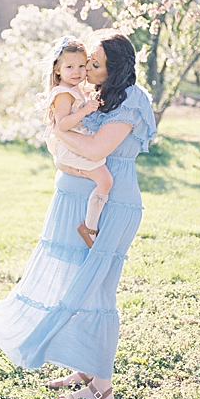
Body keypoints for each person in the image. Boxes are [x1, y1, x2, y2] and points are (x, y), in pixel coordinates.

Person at [0, 30, 157, 399]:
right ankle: (86, 365)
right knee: (72, 283)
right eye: (85, 63)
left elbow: (97, 147)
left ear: (114, 68)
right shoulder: (94, 95)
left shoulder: (132, 97)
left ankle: (102, 388)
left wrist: (57, 132)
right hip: (75, 198)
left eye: (95, 64)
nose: (87, 69)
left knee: (97, 289)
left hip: (111, 203)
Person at [41, 36, 113, 248]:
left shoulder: (74, 89)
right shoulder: (63, 93)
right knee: (105, 181)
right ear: (58, 70)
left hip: (77, 145)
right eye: (70, 67)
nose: (77, 72)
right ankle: (89, 227)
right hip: (72, 148)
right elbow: (62, 125)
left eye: (82, 66)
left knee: (102, 180)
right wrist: (85, 110)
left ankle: (90, 223)